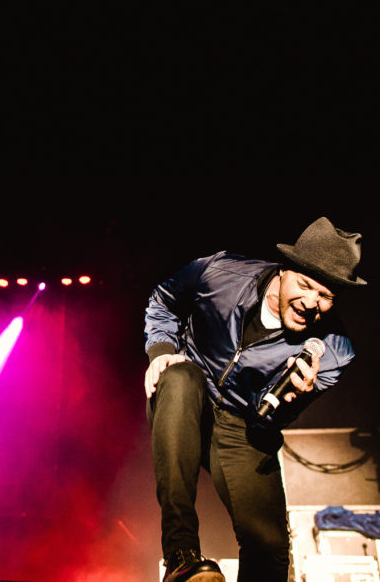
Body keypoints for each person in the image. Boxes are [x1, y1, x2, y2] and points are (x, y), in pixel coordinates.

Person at [144, 217, 367, 582]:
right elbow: (164, 299)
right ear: (283, 271)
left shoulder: (333, 353)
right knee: (181, 375)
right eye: (306, 285)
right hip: (186, 397)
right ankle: (181, 557)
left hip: (243, 427)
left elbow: (266, 422)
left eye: (325, 296)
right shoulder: (221, 273)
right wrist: (161, 351)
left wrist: (293, 399)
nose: (311, 302)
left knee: (271, 547)